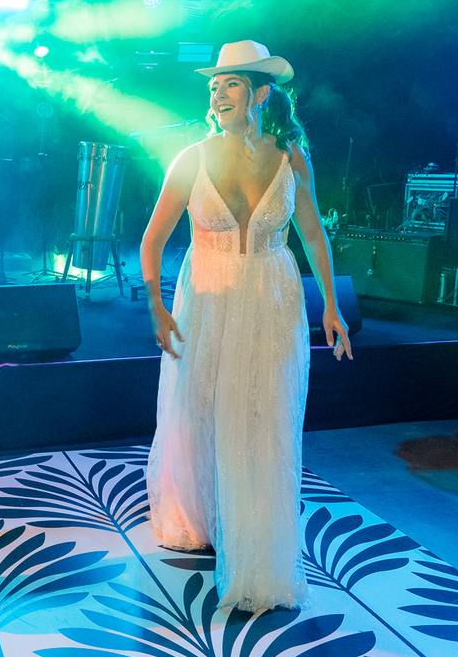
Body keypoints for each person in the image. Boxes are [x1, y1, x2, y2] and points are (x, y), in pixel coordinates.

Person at [139, 40, 352, 612]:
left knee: (261, 416)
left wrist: (331, 305)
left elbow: (313, 233)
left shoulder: (292, 157)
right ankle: (203, 514)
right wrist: (157, 307)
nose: (217, 94)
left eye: (230, 84)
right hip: (207, 297)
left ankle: (256, 543)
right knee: (199, 407)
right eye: (213, 86)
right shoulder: (192, 158)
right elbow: (152, 239)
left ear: (260, 94)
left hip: (271, 297)